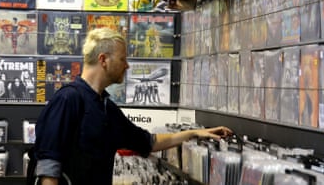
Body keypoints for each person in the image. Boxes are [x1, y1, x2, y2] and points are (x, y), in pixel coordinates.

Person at [33, 27, 233, 185]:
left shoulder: (106, 108)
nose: (127, 65)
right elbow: (48, 168)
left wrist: (195, 134)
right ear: (103, 59)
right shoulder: (68, 100)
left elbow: (148, 142)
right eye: (122, 59)